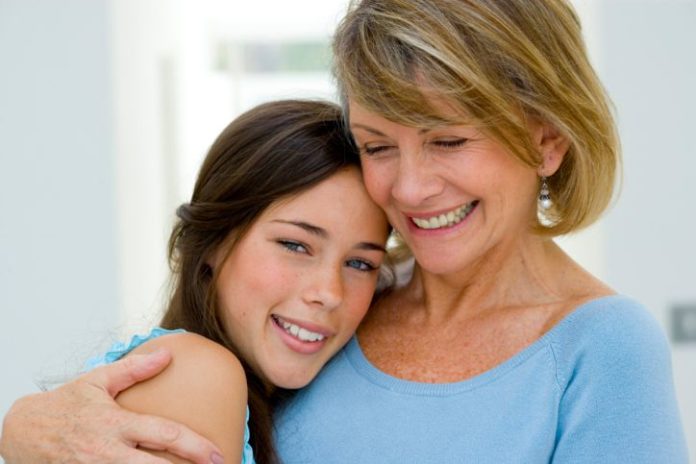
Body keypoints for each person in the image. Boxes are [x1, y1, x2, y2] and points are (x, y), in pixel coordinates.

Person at [0, 0, 689, 463]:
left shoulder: (601, 349)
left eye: (448, 141)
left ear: (547, 142)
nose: (410, 189)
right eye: (378, 145)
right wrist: (24, 428)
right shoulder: (342, 304)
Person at [0, 99, 391, 464]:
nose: (329, 293)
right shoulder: (197, 374)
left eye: (359, 263)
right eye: (294, 245)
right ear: (214, 242)